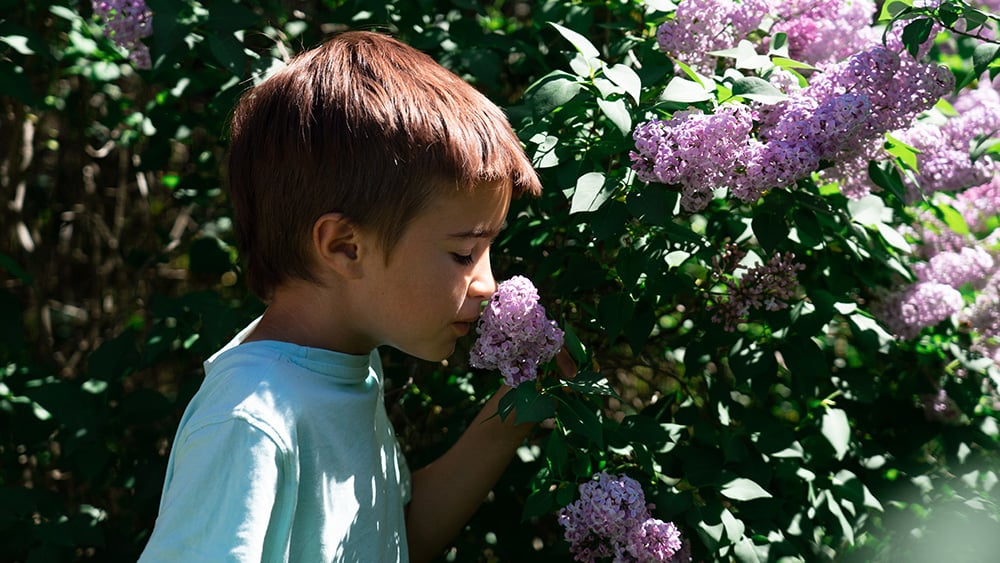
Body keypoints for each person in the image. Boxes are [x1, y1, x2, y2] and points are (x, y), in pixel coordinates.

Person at [139, 31, 549, 562]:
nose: (488, 284)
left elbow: (393, 537)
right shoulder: (251, 423)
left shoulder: (347, 368)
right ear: (344, 247)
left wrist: (507, 422)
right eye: (463, 254)